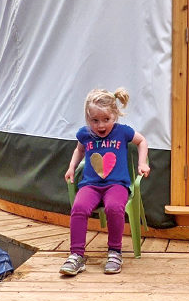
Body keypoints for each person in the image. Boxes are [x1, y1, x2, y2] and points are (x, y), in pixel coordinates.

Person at [60, 88, 150, 276]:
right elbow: (79, 150)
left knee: (114, 208)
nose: (100, 125)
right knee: (78, 208)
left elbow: (142, 141)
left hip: (117, 185)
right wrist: (71, 167)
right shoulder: (85, 134)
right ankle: (76, 255)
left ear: (114, 116)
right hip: (91, 185)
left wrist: (142, 163)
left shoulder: (122, 132)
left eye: (106, 120)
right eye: (95, 120)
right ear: (88, 118)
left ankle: (115, 252)